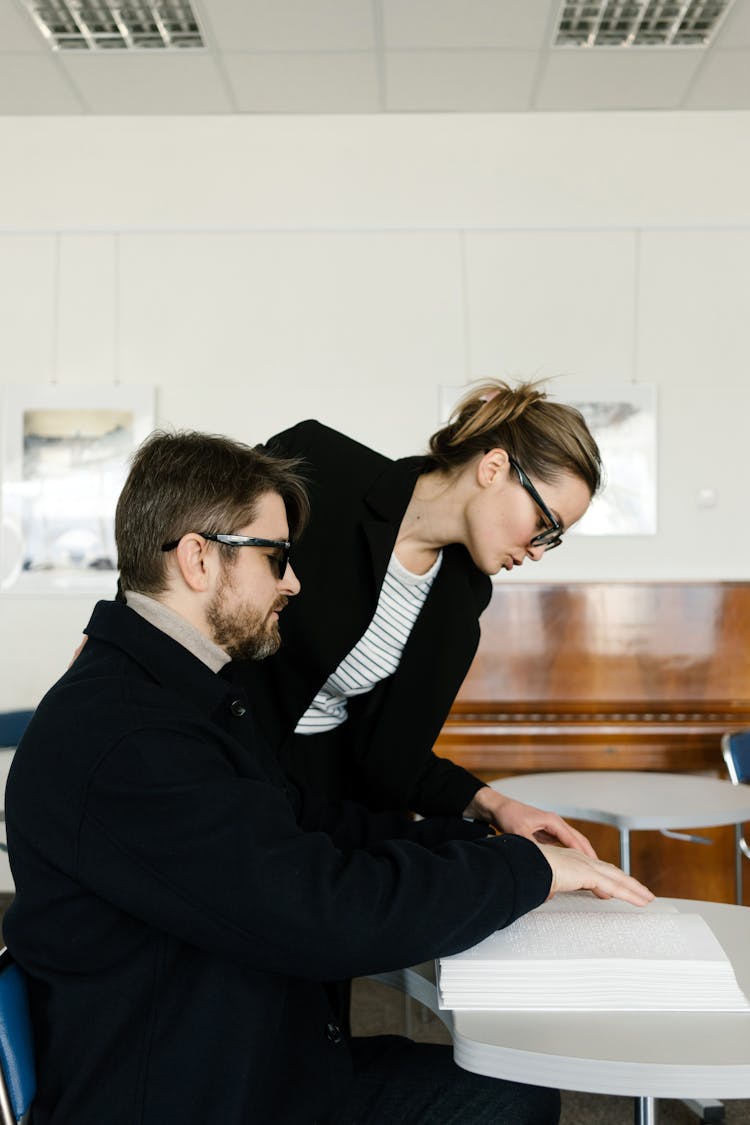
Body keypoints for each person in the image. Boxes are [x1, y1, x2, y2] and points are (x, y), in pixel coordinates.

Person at [4, 429, 653, 1125]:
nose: (294, 580)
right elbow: (324, 910)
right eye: (276, 557)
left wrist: (482, 841)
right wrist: (522, 873)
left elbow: (307, 822)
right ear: (197, 558)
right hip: (183, 1091)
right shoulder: (131, 737)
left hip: (254, 1055)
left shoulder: (187, 696)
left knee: (509, 1092)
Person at [247, 379, 600, 850]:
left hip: (321, 803)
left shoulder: (464, 596)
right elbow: (179, 570)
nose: (539, 551)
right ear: (494, 468)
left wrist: (495, 805)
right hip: (214, 762)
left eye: (552, 538)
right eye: (543, 524)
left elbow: (393, 757)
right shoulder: (317, 463)